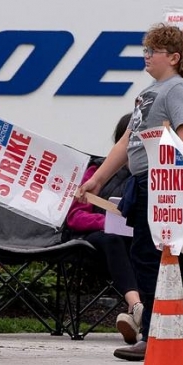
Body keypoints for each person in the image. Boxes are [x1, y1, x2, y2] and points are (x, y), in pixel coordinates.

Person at [76, 23, 183, 362]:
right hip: (143, 181)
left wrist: (169, 177)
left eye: (152, 51)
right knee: (143, 254)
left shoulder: (177, 89)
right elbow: (125, 142)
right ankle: (152, 330)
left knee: (150, 255)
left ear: (173, 57)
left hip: (159, 181)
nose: (146, 56)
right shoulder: (148, 93)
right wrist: (97, 180)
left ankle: (153, 333)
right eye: (145, 50)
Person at [65, 113, 144, 344]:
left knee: (147, 245)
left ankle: (135, 314)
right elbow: (75, 216)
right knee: (111, 238)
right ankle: (137, 307)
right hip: (93, 244)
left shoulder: (148, 178)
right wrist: (109, 222)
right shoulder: (96, 171)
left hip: (133, 245)